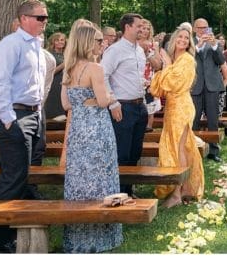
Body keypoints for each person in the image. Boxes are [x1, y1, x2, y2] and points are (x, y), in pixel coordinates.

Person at [0, 0, 49, 253]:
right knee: (14, 175)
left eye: (46, 18)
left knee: (18, 174)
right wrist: (10, 119)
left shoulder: (36, 45)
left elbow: (35, 86)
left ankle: (0, 226)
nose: (45, 22)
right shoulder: (10, 44)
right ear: (24, 19)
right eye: (40, 18)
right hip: (13, 116)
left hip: (33, 114)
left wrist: (38, 114)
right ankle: (1, 238)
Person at [61, 25, 122, 253]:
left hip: (78, 127)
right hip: (97, 127)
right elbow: (104, 101)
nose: (101, 44)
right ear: (87, 43)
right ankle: (101, 237)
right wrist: (109, 96)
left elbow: (67, 104)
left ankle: (78, 237)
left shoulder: (69, 68)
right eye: (98, 41)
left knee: (79, 176)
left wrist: (84, 101)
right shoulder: (94, 68)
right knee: (101, 174)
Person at [152, 28, 203, 207]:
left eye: (186, 38)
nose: (182, 40)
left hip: (182, 107)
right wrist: (165, 62)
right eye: (180, 37)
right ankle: (183, 189)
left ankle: (177, 192)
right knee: (176, 147)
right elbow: (159, 87)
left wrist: (166, 64)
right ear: (174, 39)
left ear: (190, 43)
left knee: (179, 148)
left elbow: (172, 84)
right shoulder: (174, 59)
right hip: (172, 108)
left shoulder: (187, 60)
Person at [102, 13, 148, 197]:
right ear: (127, 27)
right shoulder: (115, 50)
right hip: (123, 107)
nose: (142, 29)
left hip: (139, 105)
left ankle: (128, 190)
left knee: (135, 151)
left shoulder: (140, 50)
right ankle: (118, 192)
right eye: (139, 26)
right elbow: (103, 76)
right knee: (122, 153)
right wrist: (112, 102)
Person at [191, 18, 226, 162]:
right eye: (200, 28)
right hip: (195, 85)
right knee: (193, 119)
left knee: (213, 119)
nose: (203, 30)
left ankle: (213, 150)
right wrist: (198, 46)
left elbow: (221, 61)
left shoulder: (215, 43)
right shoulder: (189, 42)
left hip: (212, 85)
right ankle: (192, 149)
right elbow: (187, 59)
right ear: (194, 28)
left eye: (205, 27)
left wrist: (213, 46)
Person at [43, 32, 67, 119]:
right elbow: (48, 73)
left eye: (62, 40)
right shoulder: (49, 55)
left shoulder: (67, 54)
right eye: (57, 40)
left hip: (65, 84)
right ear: (53, 42)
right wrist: (63, 65)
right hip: (54, 85)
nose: (60, 42)